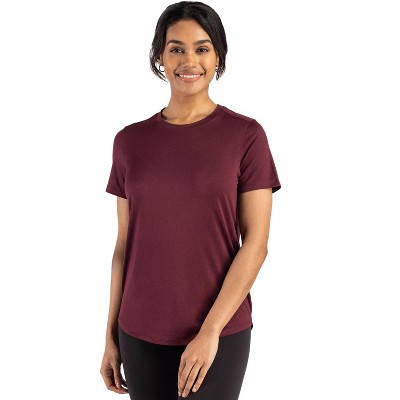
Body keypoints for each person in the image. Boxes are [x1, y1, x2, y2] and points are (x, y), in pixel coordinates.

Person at [100, 1, 282, 399]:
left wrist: (210, 331)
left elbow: (256, 244)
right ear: (159, 57)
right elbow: (124, 246)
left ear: (218, 57)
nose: (189, 61)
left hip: (219, 332)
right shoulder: (129, 141)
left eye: (202, 48)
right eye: (176, 48)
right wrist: (110, 334)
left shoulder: (246, 136)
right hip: (139, 331)